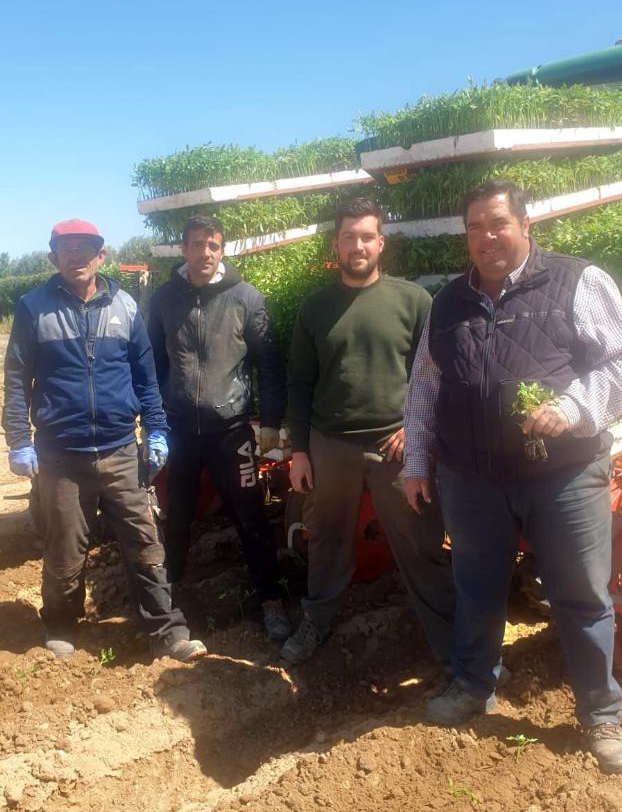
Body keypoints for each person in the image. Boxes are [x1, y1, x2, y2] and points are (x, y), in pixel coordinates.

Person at [403, 179, 622, 774]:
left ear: (526, 226)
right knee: (477, 588)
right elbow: (425, 384)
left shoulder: (577, 281)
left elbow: (620, 360)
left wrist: (576, 408)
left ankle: (602, 714)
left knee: (581, 594)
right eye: (474, 227)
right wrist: (416, 461)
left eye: (497, 223)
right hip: (472, 478)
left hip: (565, 474)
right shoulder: (448, 302)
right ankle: (474, 685)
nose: (485, 237)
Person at [2, 218, 206, 662]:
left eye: (86, 248)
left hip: (119, 450)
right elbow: (16, 378)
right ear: (53, 258)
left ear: (101, 255)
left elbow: (145, 377)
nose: (76, 256)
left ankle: (167, 630)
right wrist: (18, 439)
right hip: (60, 456)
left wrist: (156, 430)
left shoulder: (127, 307)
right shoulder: (34, 308)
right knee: (65, 548)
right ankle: (59, 623)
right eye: (66, 249)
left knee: (144, 540)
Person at [281, 198, 456, 664]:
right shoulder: (315, 307)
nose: (357, 245)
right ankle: (315, 623)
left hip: (395, 446)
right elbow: (298, 383)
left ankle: (453, 646)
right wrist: (299, 451)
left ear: (380, 242)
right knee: (326, 540)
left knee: (421, 541)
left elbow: (436, 376)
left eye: (366, 237)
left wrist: (415, 429)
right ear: (335, 244)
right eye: (347, 237)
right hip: (330, 445)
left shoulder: (414, 301)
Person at [147, 216, 290, 640]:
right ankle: (169, 605)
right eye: (196, 244)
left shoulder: (246, 298)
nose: (204, 253)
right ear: (183, 249)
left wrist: (272, 425)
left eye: (212, 245)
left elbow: (269, 365)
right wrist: (152, 422)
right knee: (176, 518)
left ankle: (271, 600)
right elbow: (152, 363)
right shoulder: (164, 299)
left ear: (222, 250)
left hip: (231, 430)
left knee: (251, 517)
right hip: (178, 430)